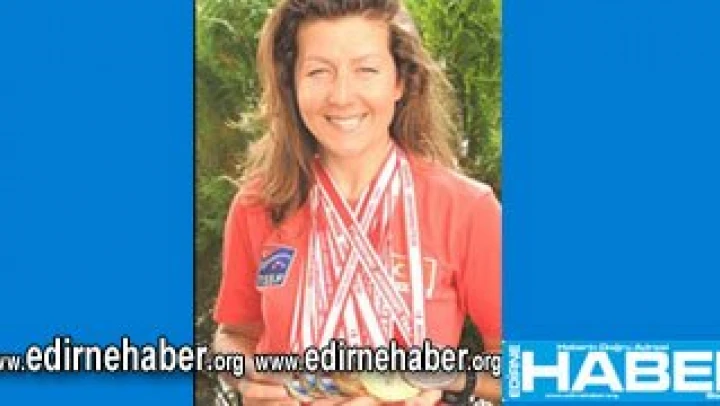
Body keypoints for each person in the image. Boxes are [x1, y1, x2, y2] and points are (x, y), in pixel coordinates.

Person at [212, 0, 501, 404]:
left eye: (366, 70)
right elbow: (234, 334)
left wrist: (445, 378)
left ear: (399, 81)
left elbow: (532, 370)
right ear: (292, 84)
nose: (342, 96)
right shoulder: (258, 204)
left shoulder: (468, 209)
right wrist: (246, 379)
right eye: (318, 72)